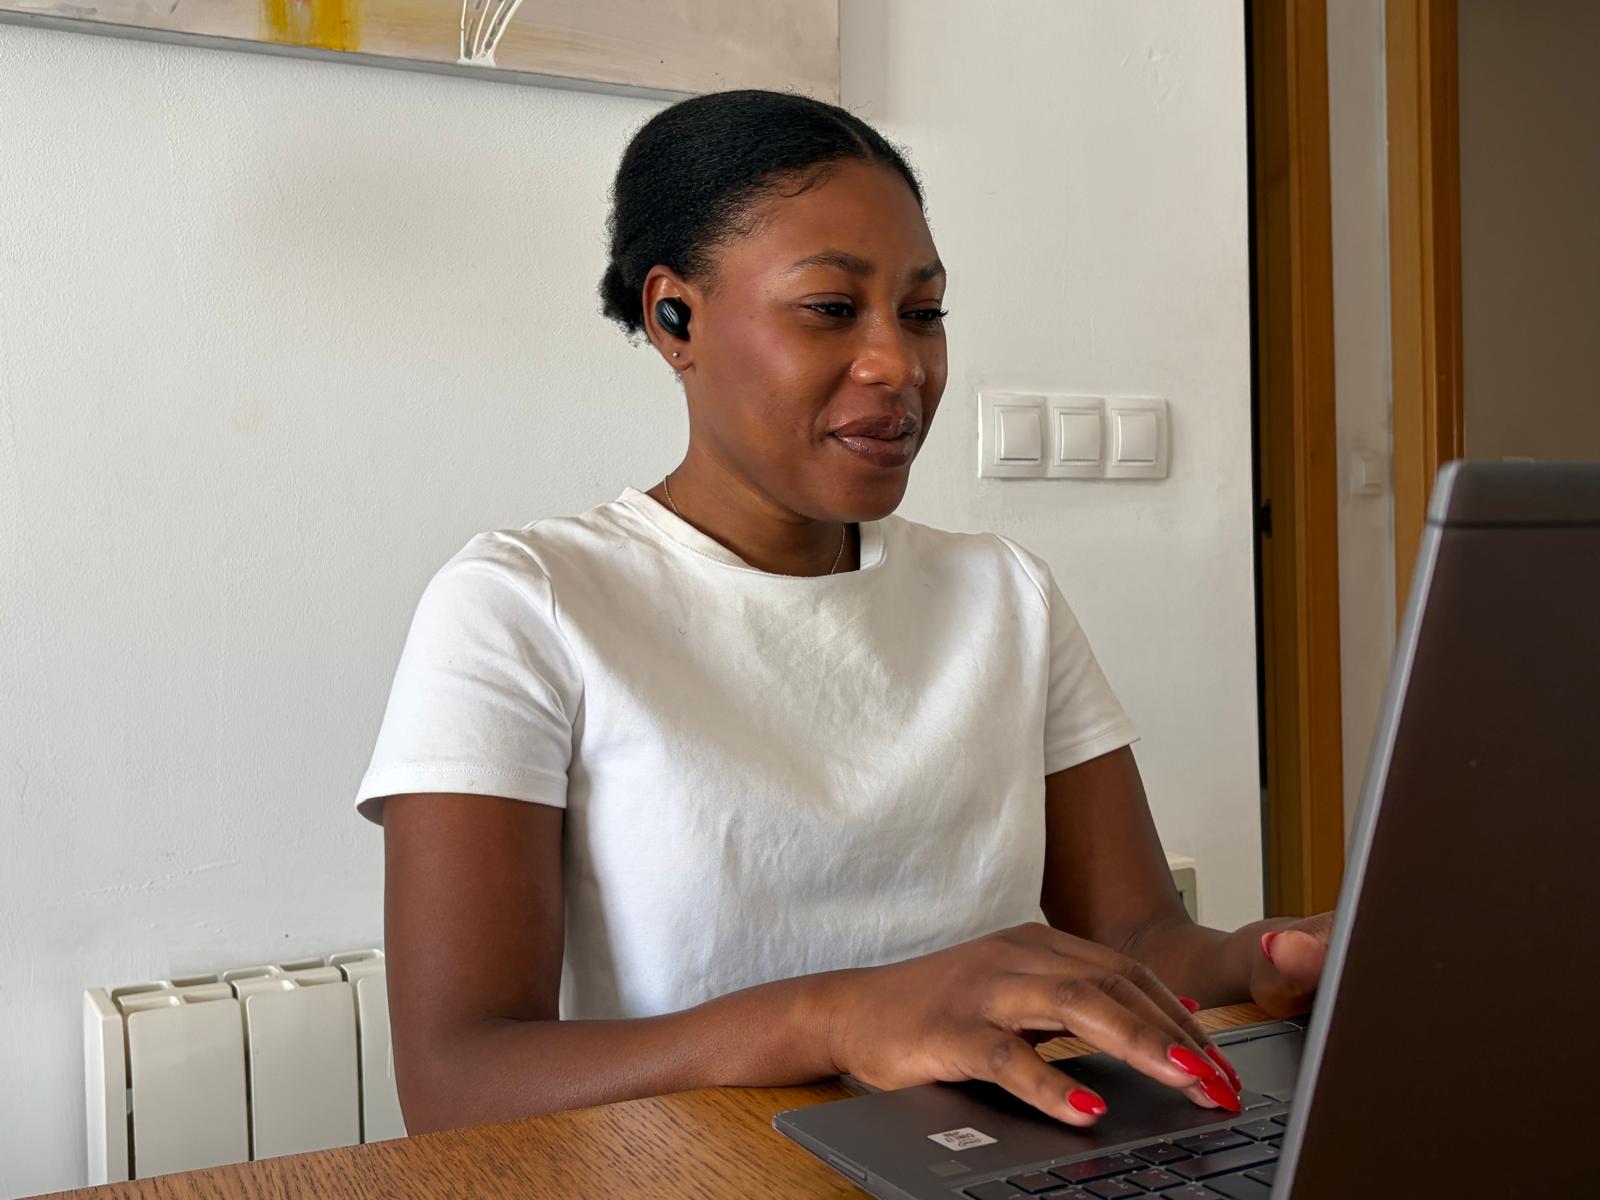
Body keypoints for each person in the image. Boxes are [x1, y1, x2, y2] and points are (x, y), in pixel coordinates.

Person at [354, 88, 1332, 1138]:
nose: (899, 366)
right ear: (673, 316)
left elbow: (1138, 937)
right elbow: (458, 1079)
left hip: (1005, 1155)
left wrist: (1262, 964)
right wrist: (841, 1013)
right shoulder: (522, 604)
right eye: (831, 308)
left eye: (923, 313)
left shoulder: (1004, 595)